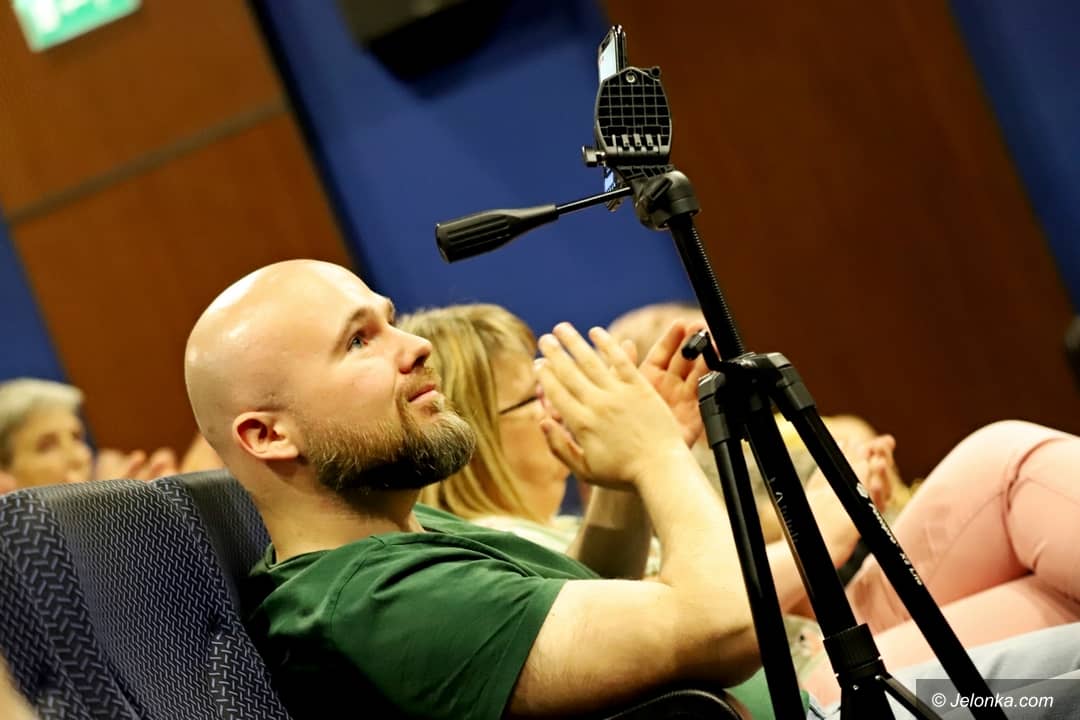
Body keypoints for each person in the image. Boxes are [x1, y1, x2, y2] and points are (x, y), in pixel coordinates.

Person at [186, 259, 872, 719]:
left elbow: (572, 610)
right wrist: (655, 454)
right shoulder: (374, 607)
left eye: (388, 320)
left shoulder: (393, 535)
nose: (414, 346)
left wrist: (623, 487)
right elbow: (730, 627)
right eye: (359, 342)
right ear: (267, 435)